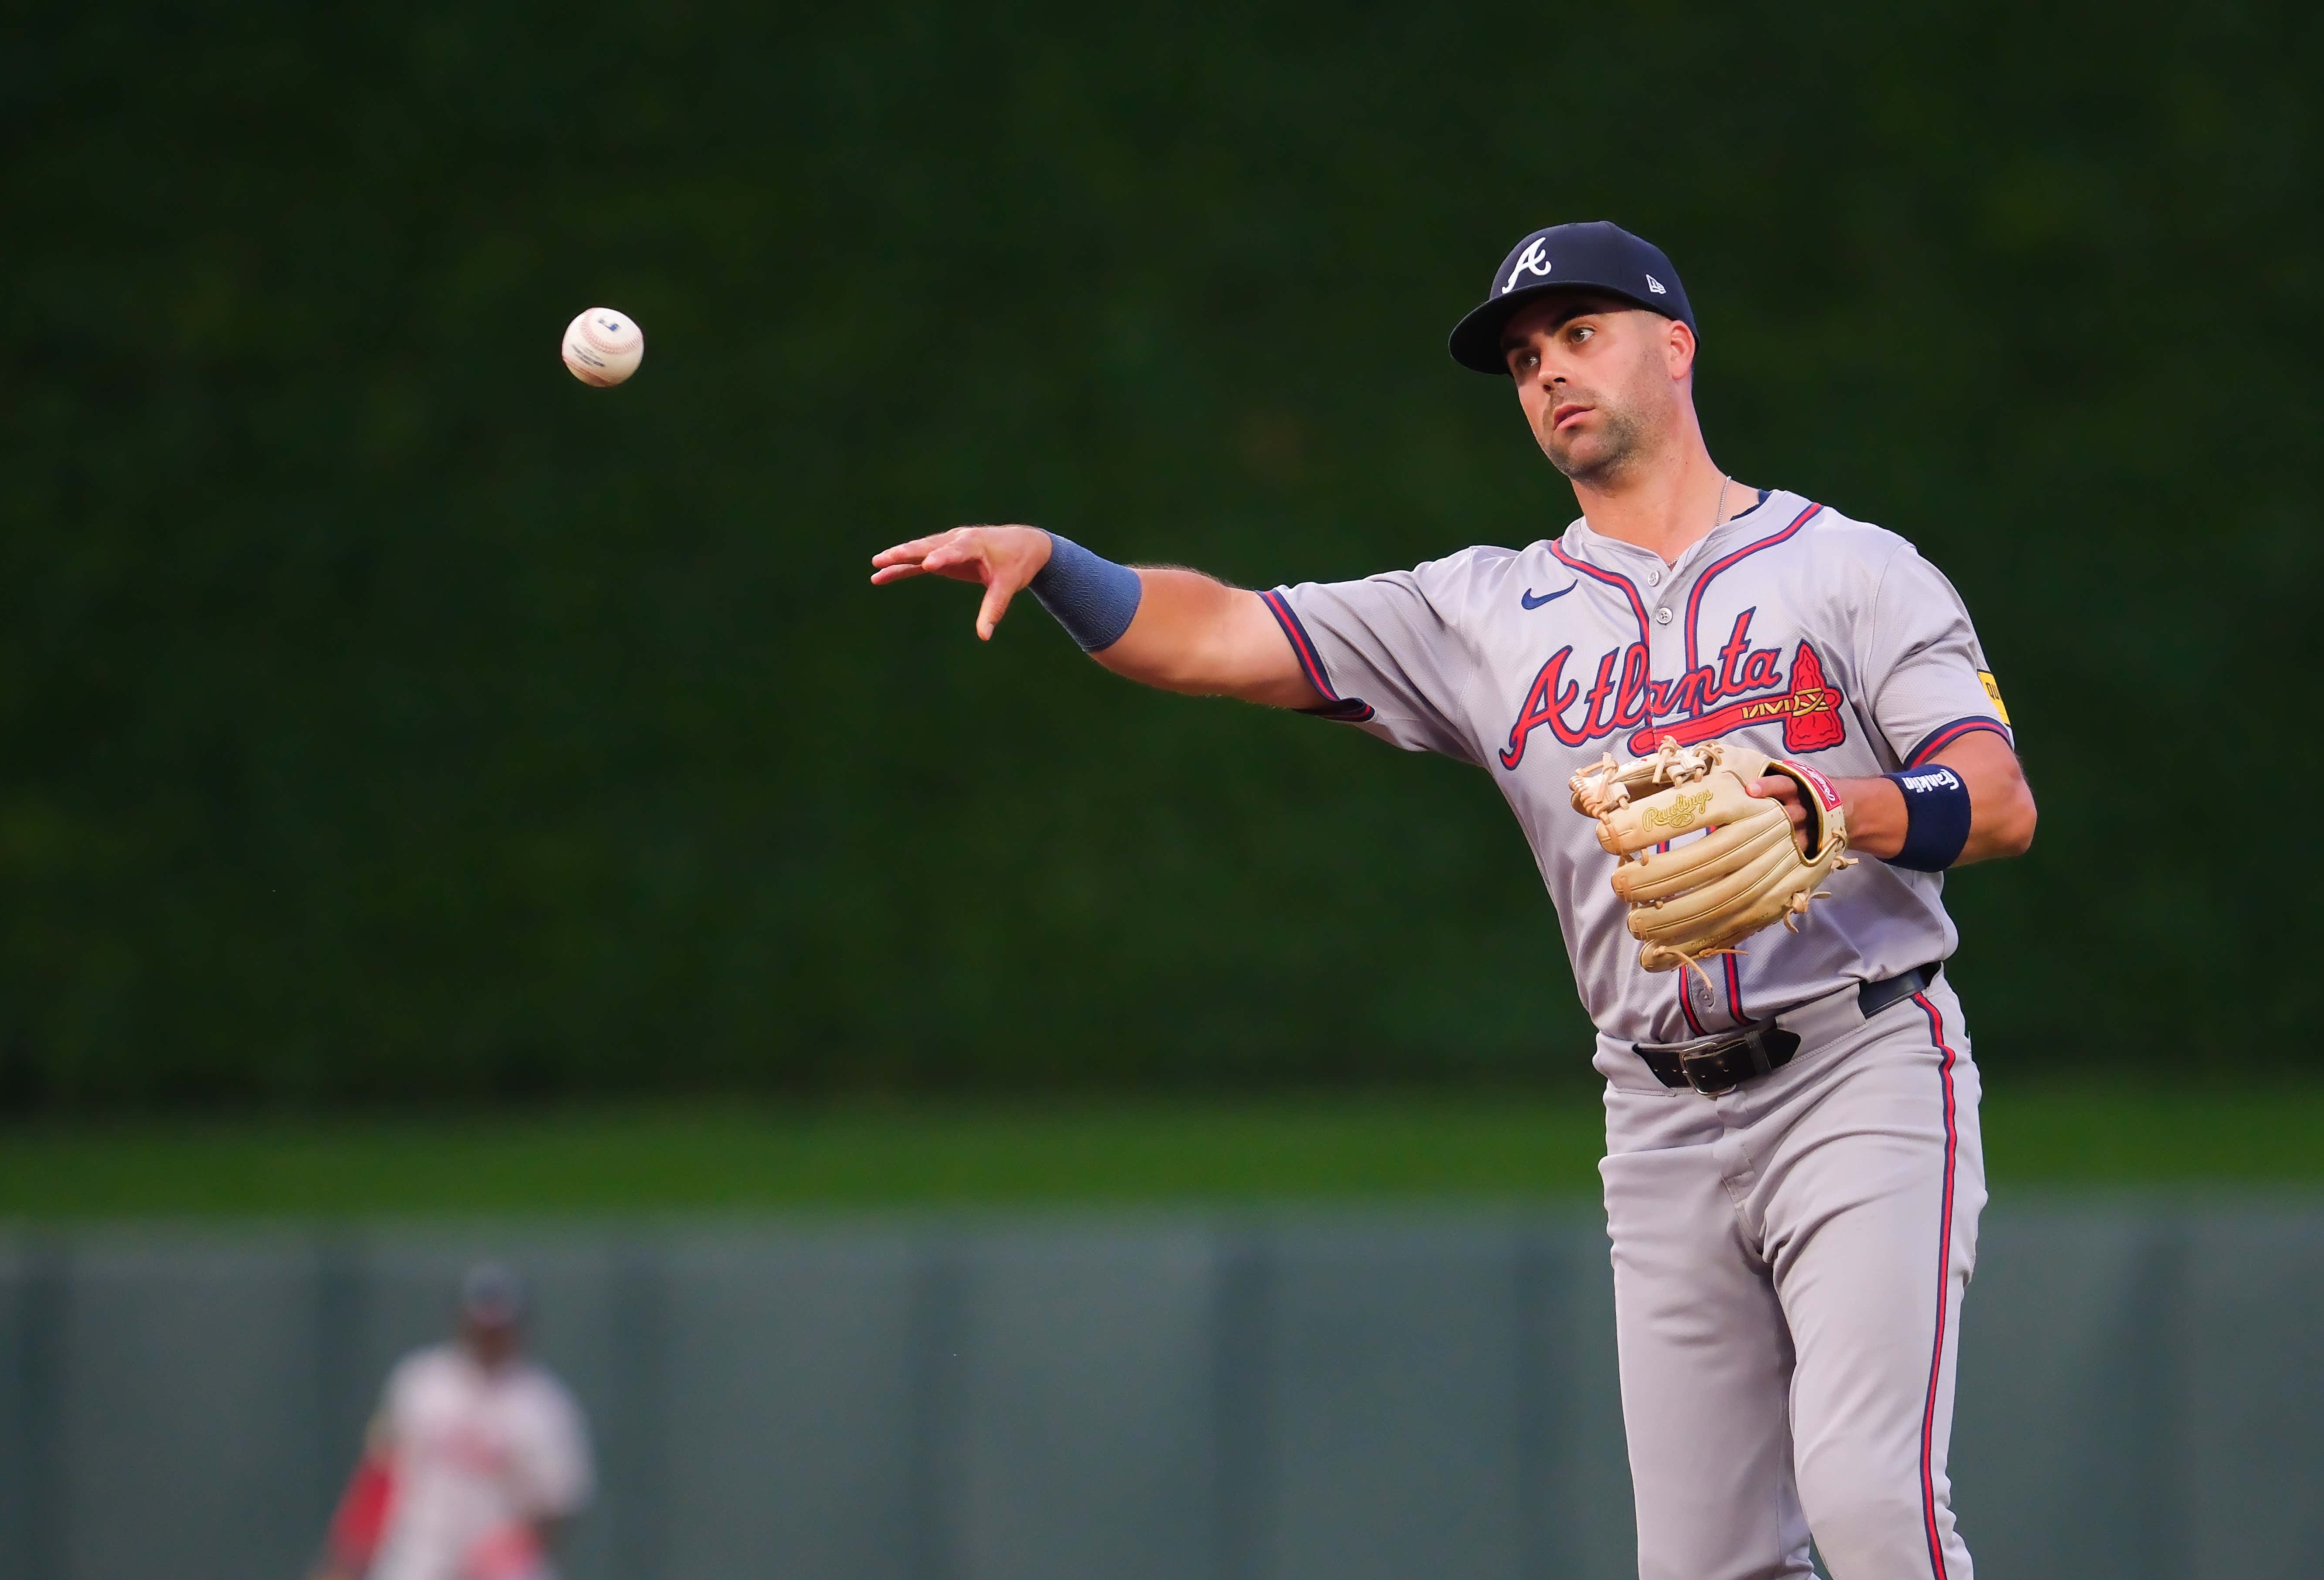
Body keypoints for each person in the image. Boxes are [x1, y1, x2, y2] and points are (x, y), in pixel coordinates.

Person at [869, 220, 2034, 1580]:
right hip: (1655, 1111)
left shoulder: (1850, 568)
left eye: (1578, 334)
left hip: (1856, 1063)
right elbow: (1226, 632)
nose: (1547, 372)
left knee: (1866, 1499)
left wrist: (1831, 808)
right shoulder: (1485, 610)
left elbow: (1994, 797)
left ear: (1675, 345)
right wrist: (1057, 561)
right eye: (1524, 358)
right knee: (1702, 1562)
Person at [313, 1264, 594, 1580]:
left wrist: (508, 1552)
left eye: (498, 1327)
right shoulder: (421, 1382)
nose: (488, 1336)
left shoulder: (544, 1405)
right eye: (481, 1325)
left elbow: (558, 1503)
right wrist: (345, 1561)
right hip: (418, 1557)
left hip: (500, 1565)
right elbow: (381, 1475)